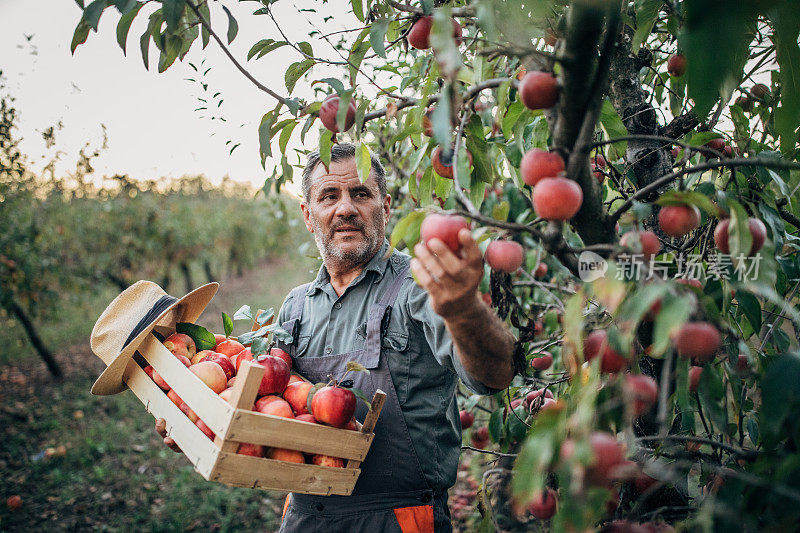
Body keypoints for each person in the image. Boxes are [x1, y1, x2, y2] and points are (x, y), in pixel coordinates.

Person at [158, 142, 515, 532]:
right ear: (309, 215)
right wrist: (198, 419)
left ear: (386, 206)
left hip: (397, 519)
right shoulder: (295, 306)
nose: (345, 208)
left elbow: (492, 377)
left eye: (360, 193)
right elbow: (268, 409)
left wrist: (465, 310)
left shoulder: (419, 286)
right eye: (330, 196)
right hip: (306, 517)